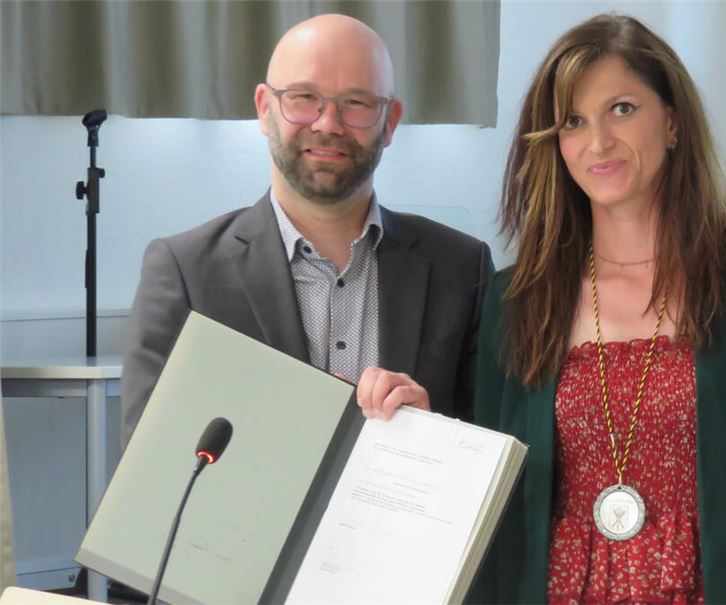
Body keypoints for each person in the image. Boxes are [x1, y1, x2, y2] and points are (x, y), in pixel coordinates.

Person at [469, 14, 726, 605]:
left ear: (672, 122)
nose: (598, 142)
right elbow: (492, 507)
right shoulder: (515, 300)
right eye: (573, 121)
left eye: (622, 108)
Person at [121, 14, 493, 444]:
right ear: (265, 109)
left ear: (390, 121)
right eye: (303, 97)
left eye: (356, 102)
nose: (328, 124)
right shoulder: (184, 271)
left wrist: (432, 434)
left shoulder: (464, 268)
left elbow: (496, 448)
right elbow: (150, 460)